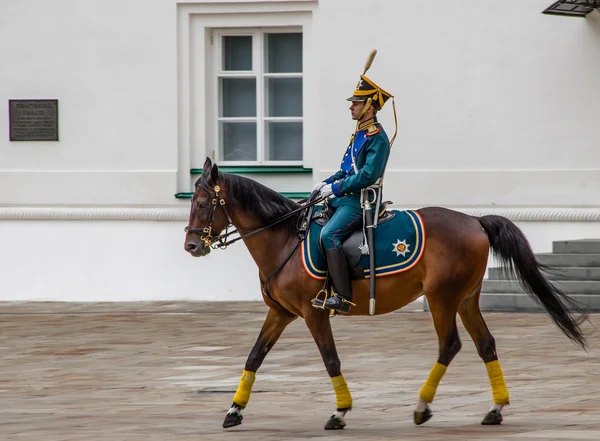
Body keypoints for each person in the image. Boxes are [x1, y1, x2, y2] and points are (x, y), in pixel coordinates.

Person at [312, 50, 396, 314]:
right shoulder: (358, 134)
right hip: (345, 197)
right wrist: (324, 184)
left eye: (356, 104)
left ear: (369, 107)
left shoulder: (376, 136)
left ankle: (343, 297)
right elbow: (345, 169)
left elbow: (367, 176)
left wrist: (335, 189)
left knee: (330, 234)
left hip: (361, 202)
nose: (351, 106)